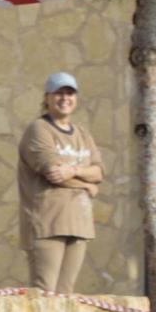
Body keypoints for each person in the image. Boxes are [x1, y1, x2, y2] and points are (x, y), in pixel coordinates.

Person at [18, 71, 102, 295]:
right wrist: (87, 185)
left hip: (79, 225)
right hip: (48, 224)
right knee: (45, 293)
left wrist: (74, 170)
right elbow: (53, 173)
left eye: (69, 93)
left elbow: (99, 172)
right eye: (59, 93)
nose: (65, 98)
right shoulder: (39, 130)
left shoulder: (82, 134)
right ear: (47, 98)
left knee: (66, 295)